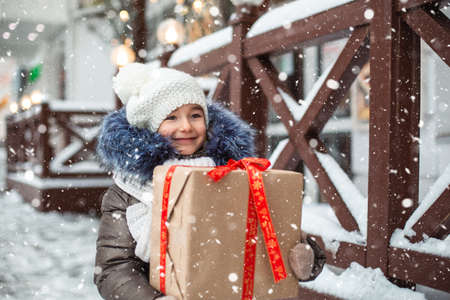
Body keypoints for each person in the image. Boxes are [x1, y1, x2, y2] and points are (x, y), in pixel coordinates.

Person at [94, 64, 325, 300]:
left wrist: (306, 257)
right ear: (150, 126)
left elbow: (273, 231)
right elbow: (113, 268)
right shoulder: (128, 190)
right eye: (171, 117)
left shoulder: (234, 174)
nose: (186, 126)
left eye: (195, 115)